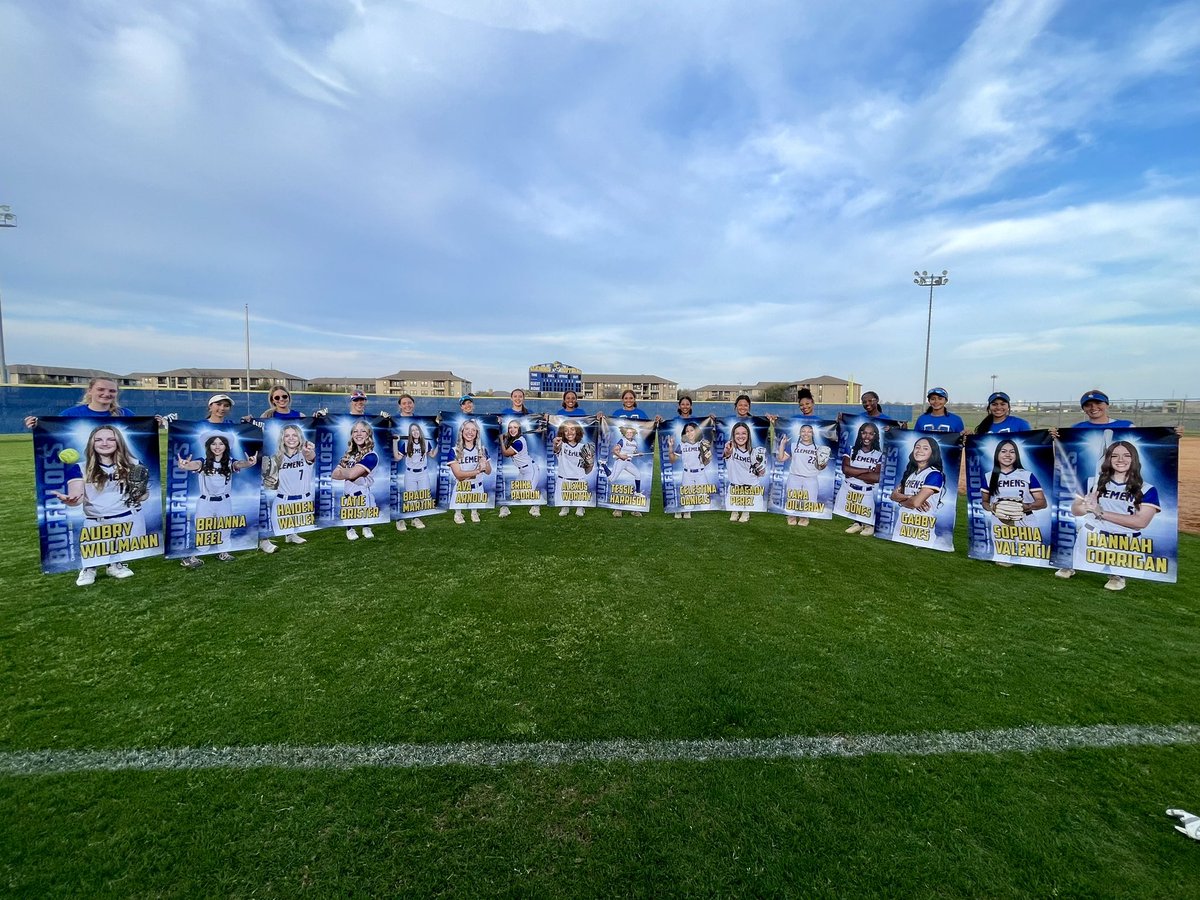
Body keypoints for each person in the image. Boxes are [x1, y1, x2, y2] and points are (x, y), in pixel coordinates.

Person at [53, 424, 150, 586]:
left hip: (129, 518)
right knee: (93, 553)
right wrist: (71, 500)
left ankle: (115, 564)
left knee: (129, 550)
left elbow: (143, 496)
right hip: (97, 520)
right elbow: (77, 497)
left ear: (118, 442)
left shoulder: (134, 463)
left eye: (110, 439)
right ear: (92, 443)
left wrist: (140, 493)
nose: (104, 443)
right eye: (99, 440)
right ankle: (89, 568)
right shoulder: (80, 468)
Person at [1053, 389, 1135, 579]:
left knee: (1112, 525)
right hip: (1086, 481)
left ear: (1107, 405)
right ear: (1084, 409)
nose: (1093, 407)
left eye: (1098, 403)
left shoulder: (1126, 426)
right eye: (1088, 405)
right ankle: (1070, 563)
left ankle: (1116, 574)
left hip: (1117, 484)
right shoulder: (1077, 428)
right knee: (1078, 522)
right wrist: (1055, 437)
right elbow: (1062, 451)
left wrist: (1173, 435)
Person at [1069, 440, 1162, 592]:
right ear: (1108, 459)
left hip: (1125, 542)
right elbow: (1075, 510)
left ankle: (1118, 575)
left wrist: (1100, 511)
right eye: (1114, 456)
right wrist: (1086, 507)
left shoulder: (1147, 488)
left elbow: (1141, 522)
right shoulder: (1092, 482)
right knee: (1074, 569)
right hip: (1092, 537)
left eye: (1127, 455)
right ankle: (1071, 565)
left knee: (1128, 576)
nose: (1120, 460)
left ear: (1134, 459)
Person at [175, 434, 258, 567]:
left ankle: (223, 552)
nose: (217, 447)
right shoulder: (203, 461)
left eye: (221, 443)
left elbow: (239, 464)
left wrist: (249, 462)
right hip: (205, 501)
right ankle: (195, 555)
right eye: (214, 443)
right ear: (209, 446)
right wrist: (185, 465)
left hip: (224, 500)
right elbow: (194, 464)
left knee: (225, 527)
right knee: (203, 528)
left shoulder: (229, 462)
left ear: (226, 446)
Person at [980, 438, 1047, 567]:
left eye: (1012, 452)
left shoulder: (1027, 475)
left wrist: (1027, 506)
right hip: (1000, 521)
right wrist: (991, 508)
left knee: (1031, 561)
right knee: (1002, 561)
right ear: (997, 454)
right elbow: (984, 501)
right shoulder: (989, 476)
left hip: (1025, 520)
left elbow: (1042, 502)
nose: (1008, 455)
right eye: (1003, 451)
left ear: (1016, 455)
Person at [259, 423, 315, 553]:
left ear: (300, 437)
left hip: (303, 502)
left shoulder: (305, 453)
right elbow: (270, 484)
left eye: (295, 435)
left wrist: (310, 451)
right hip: (283, 501)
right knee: (275, 527)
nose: (291, 438)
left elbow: (311, 456)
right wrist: (268, 479)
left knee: (302, 526)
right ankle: (264, 541)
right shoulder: (276, 458)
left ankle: (290, 535)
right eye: (287, 435)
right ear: (282, 439)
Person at [24, 377, 134, 429]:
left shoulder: (126, 414)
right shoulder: (70, 414)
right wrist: (38, 425)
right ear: (90, 391)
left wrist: (152, 423)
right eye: (101, 389)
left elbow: (142, 435)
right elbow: (55, 433)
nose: (106, 394)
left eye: (112, 391)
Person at [333, 419, 379, 540]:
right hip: (348, 494)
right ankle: (350, 529)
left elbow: (352, 474)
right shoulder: (349, 454)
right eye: (355, 431)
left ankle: (366, 527)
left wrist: (345, 472)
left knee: (365, 517)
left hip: (362, 493)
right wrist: (350, 473)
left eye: (363, 431)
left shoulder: (371, 455)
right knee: (349, 514)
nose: (358, 434)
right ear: (352, 435)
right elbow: (334, 475)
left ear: (368, 434)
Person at [838, 421, 883, 536]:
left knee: (866, 513)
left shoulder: (879, 455)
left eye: (871, 434)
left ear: (875, 436)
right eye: (864, 433)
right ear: (860, 434)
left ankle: (868, 525)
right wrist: (866, 471)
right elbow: (845, 470)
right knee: (851, 510)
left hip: (865, 492)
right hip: (848, 489)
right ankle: (857, 523)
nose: (867, 437)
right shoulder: (851, 449)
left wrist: (853, 471)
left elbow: (876, 477)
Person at [777, 423, 826, 526]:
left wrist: (823, 463)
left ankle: (805, 516)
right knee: (792, 498)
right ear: (799, 433)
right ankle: (791, 516)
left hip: (811, 478)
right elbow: (781, 459)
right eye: (803, 431)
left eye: (809, 431)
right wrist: (782, 444)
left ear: (812, 433)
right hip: (795, 476)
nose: (806, 433)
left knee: (810, 499)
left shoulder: (819, 448)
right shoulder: (793, 445)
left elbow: (821, 467)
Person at [393, 422, 434, 532]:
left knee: (424, 497)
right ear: (410, 433)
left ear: (420, 431)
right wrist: (395, 442)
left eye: (417, 430)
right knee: (412, 498)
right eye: (412, 430)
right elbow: (397, 457)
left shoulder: (426, 442)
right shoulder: (406, 444)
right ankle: (407, 519)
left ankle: (414, 518)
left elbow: (433, 455)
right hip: (410, 473)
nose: (415, 432)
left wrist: (440, 444)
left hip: (423, 473)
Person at [665, 416, 708, 519]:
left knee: (705, 500)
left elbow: (707, 460)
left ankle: (689, 509)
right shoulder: (682, 445)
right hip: (687, 473)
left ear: (696, 431)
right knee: (688, 498)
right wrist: (670, 447)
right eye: (687, 431)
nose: (689, 433)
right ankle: (687, 511)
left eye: (691, 430)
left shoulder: (702, 443)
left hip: (700, 472)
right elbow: (672, 460)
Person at [498, 418, 543, 518]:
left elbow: (505, 453)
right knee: (515, 494)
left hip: (531, 470)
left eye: (515, 427)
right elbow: (508, 438)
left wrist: (501, 439)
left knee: (524, 497)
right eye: (510, 427)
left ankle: (536, 505)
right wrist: (505, 435)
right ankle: (505, 509)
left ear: (519, 429)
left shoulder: (519, 442)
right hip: (522, 471)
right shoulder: (513, 438)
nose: (512, 429)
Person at [449, 419, 490, 524]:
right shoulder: (454, 450)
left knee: (476, 519)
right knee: (459, 517)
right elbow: (459, 475)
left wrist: (484, 463)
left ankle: (474, 512)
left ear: (477, 433)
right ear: (462, 431)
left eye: (473, 430)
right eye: (467, 429)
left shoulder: (482, 449)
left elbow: (489, 471)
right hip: (462, 487)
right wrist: (477, 471)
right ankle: (458, 513)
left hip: (478, 486)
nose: (470, 432)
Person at [889, 436, 946, 512]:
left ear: (933, 452)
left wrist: (901, 501)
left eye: (925, 448)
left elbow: (916, 503)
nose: (919, 451)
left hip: (921, 522)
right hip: (901, 522)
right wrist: (910, 497)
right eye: (917, 447)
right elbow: (893, 495)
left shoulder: (934, 474)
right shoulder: (910, 473)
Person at [723, 421, 764, 523]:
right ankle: (735, 511)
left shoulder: (755, 452)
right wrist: (727, 450)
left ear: (748, 435)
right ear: (733, 435)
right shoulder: (731, 448)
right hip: (735, 489)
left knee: (743, 520)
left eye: (744, 433)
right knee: (733, 519)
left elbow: (761, 473)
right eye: (737, 433)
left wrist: (760, 467)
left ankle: (746, 512)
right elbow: (726, 453)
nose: (740, 436)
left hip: (751, 489)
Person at [603, 424, 646, 517]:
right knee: (612, 479)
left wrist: (639, 454)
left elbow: (633, 452)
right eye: (627, 432)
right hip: (620, 461)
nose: (629, 434)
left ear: (633, 433)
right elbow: (614, 450)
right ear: (624, 433)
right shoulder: (622, 440)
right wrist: (620, 455)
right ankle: (603, 465)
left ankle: (637, 492)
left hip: (628, 462)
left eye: (631, 432)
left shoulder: (634, 442)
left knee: (638, 474)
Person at [553, 420, 590, 517]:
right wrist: (555, 443)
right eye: (566, 430)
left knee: (579, 512)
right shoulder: (562, 445)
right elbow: (556, 449)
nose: (569, 432)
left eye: (572, 429)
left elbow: (588, 468)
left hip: (579, 480)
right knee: (563, 509)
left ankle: (580, 507)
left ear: (577, 431)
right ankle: (564, 506)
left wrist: (590, 461)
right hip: (564, 480)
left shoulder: (584, 447)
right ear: (562, 433)